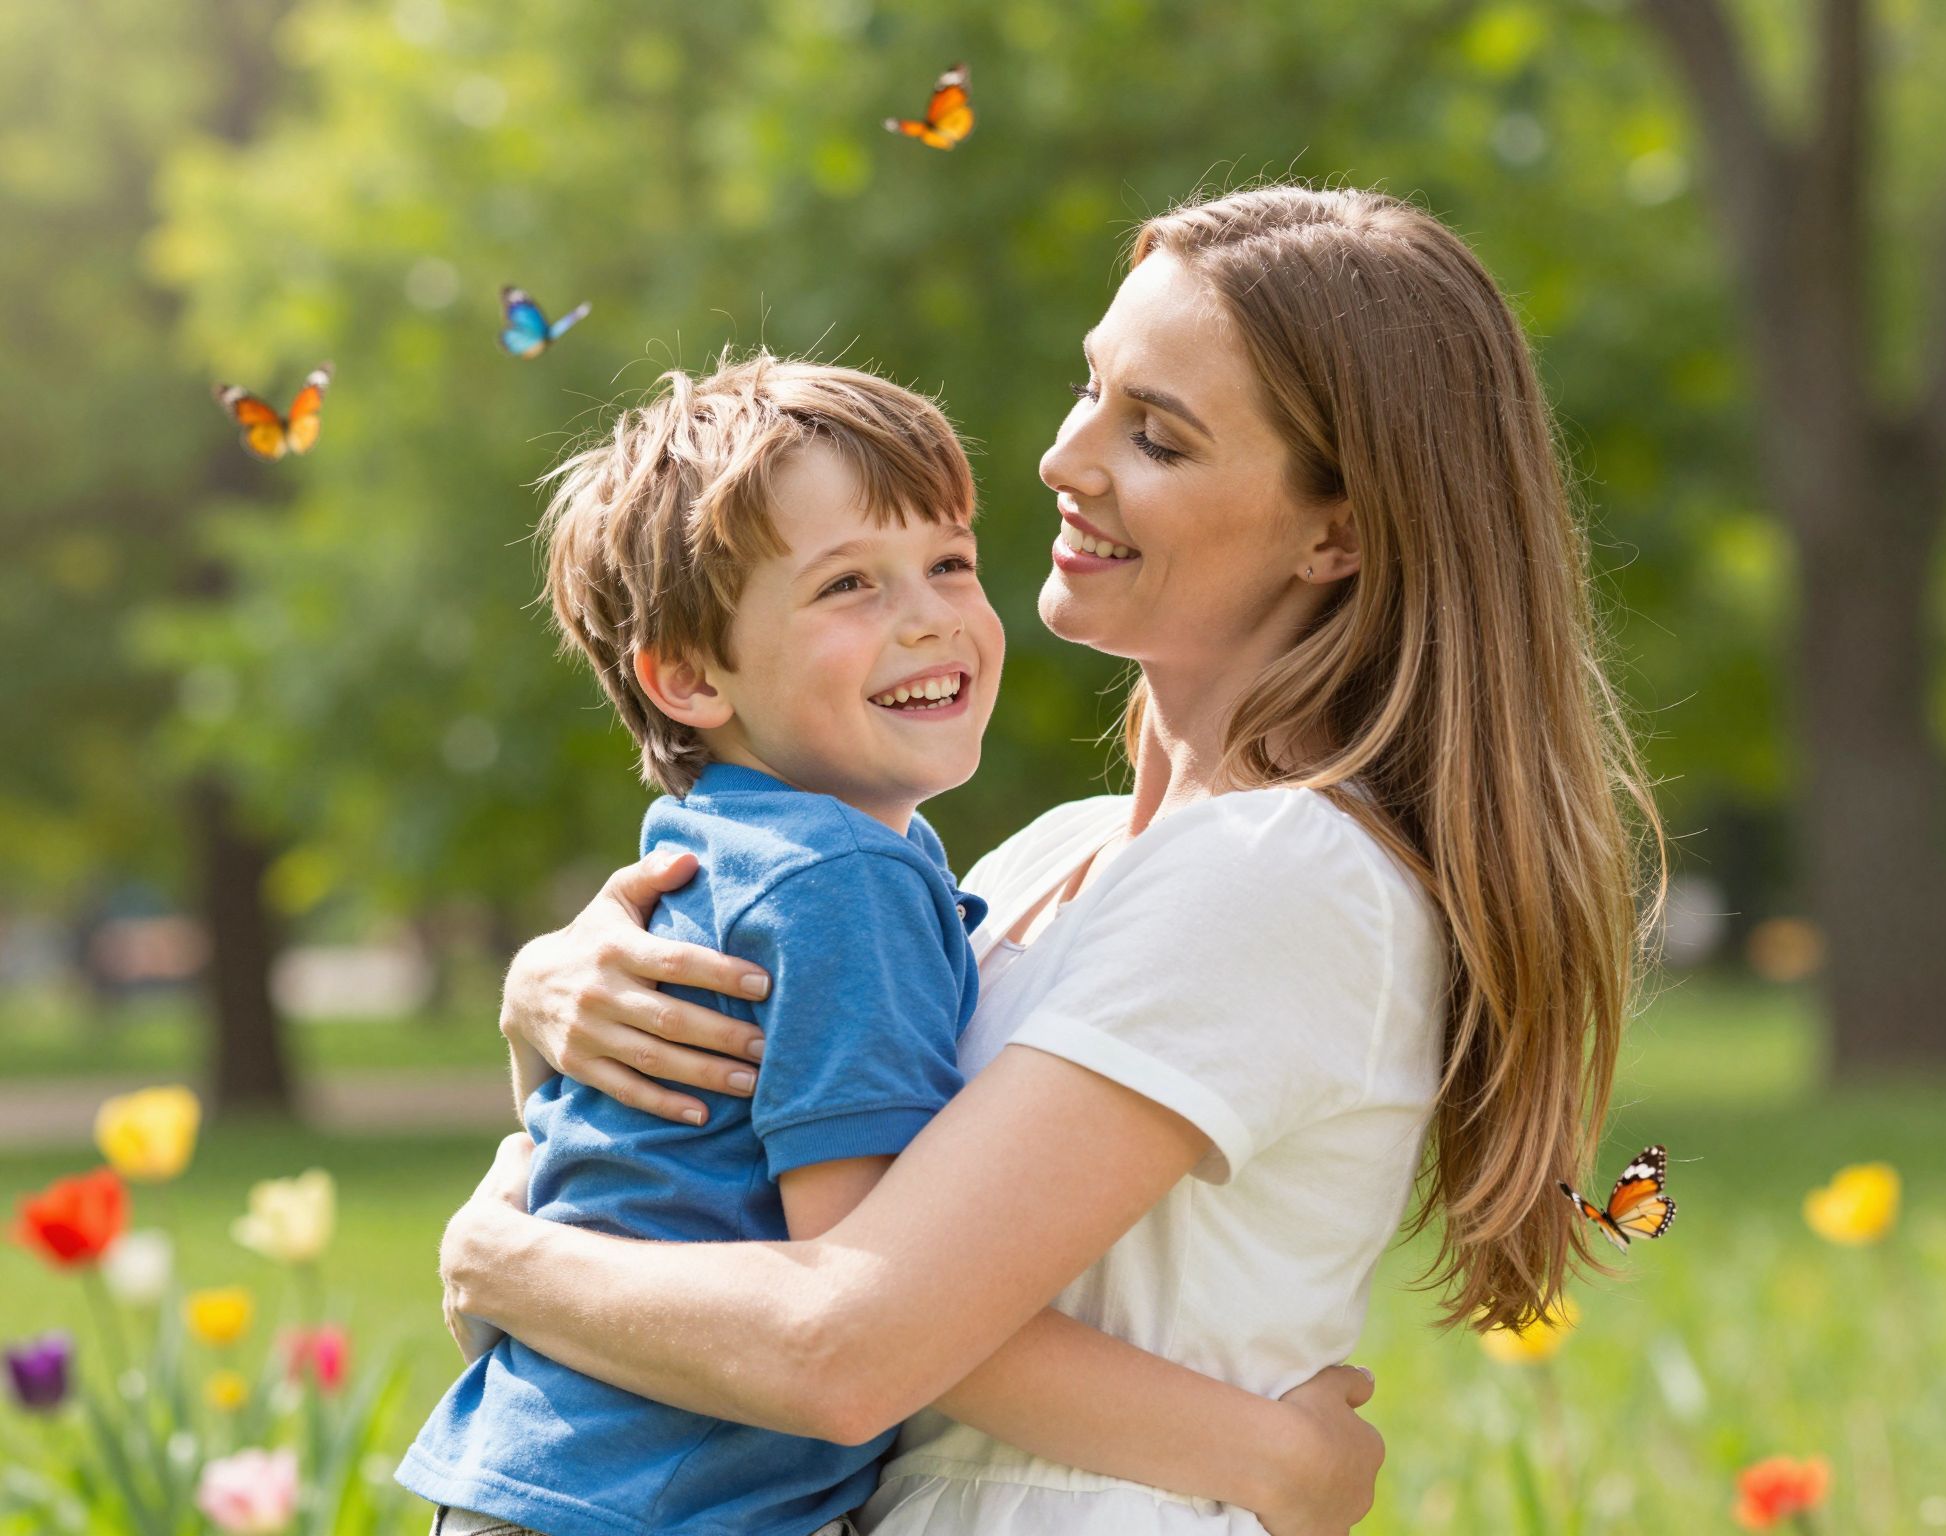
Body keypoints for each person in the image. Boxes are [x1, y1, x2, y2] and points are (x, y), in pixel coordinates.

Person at [441, 185, 1664, 1535]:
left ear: (1340, 534)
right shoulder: (1041, 859)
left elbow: (849, 1339)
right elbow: (745, 1188)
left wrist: (501, 1258)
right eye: (1094, 390)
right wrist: (552, 997)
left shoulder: (1282, 873)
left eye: (1156, 435)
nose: (1065, 458)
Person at [400, 353, 1387, 1536]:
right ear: (685, 678)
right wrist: (1275, 1457)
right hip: (667, 1508)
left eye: (949, 564)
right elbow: (857, 1296)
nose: (926, 616)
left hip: (559, 1483)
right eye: (848, 586)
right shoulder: (845, 879)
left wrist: (503, 1254)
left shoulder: (733, 849)